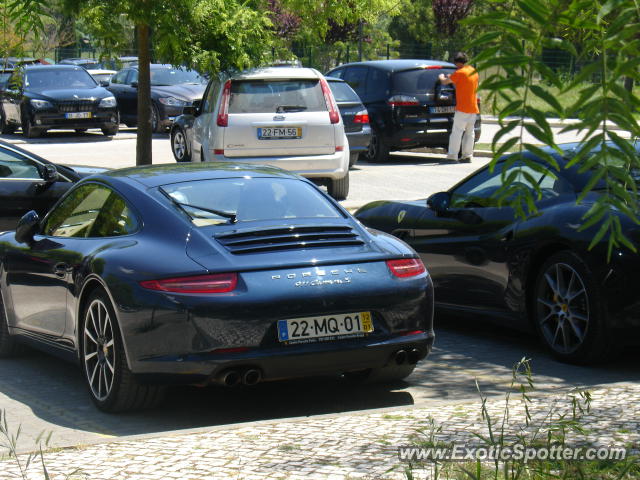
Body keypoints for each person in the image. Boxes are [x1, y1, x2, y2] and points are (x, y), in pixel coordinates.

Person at [438, 52, 479, 163]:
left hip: (462, 108)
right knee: (470, 133)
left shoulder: (460, 72)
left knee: (457, 132)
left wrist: (441, 77)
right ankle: (467, 156)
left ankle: (452, 156)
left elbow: (445, 82)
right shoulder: (474, 72)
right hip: (473, 108)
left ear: (457, 63)